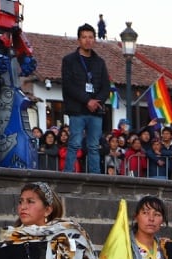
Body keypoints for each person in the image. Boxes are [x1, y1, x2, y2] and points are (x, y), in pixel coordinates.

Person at [61, 23, 110, 174]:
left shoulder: (99, 62)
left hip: (95, 111)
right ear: (78, 40)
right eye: (84, 37)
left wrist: (97, 101)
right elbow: (68, 85)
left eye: (90, 37)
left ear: (94, 39)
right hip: (77, 110)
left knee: (94, 146)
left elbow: (106, 87)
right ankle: (68, 174)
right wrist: (87, 100)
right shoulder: (69, 60)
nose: (88, 40)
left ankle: (95, 176)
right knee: (75, 144)